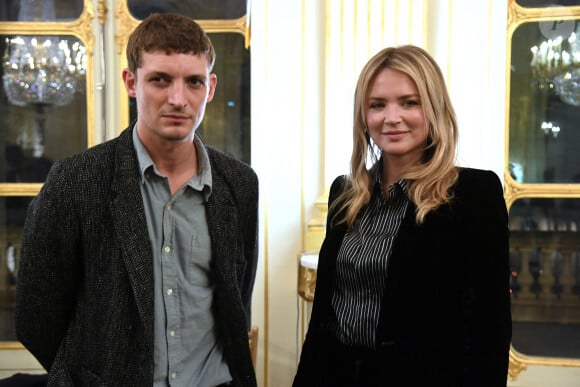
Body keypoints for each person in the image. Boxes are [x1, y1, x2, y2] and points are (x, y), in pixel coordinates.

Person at [15, 13, 259, 387]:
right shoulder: (76, 180)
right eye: (160, 79)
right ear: (132, 82)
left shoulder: (240, 184)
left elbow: (235, 300)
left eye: (193, 82)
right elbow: (36, 317)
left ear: (210, 88)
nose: (178, 99)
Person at [293, 45, 511, 387]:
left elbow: (489, 327)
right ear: (363, 115)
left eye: (409, 102)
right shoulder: (346, 192)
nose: (391, 117)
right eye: (377, 105)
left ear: (433, 107)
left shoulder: (473, 194)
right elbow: (324, 316)